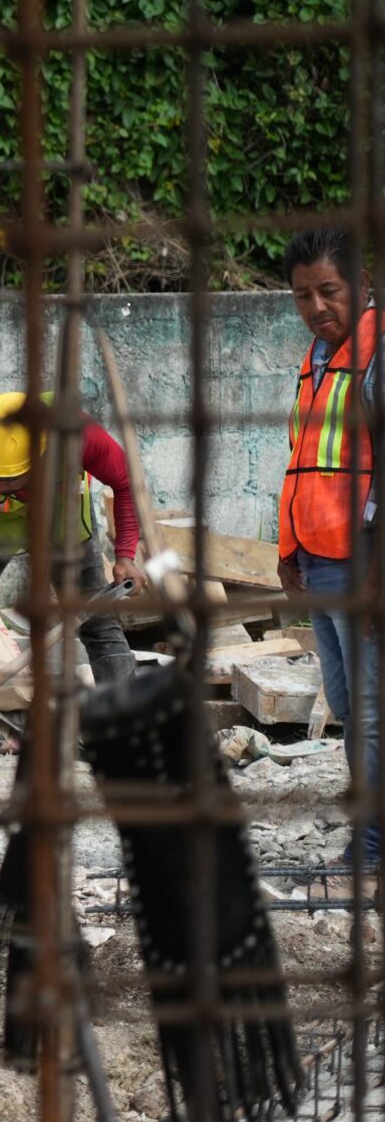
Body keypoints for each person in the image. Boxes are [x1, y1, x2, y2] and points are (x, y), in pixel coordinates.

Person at [277, 227, 380, 877]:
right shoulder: (317, 360)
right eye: (303, 295)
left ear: (361, 284)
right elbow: (304, 462)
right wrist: (288, 550)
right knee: (345, 705)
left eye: (329, 290)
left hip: (361, 561)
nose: (317, 306)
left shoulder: (375, 359)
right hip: (318, 559)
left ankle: (370, 847)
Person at [0, 391, 140, 695]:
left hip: (60, 514)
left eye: (6, 479)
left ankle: (123, 726)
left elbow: (126, 482)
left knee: (96, 621)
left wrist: (125, 553)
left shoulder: (78, 435)